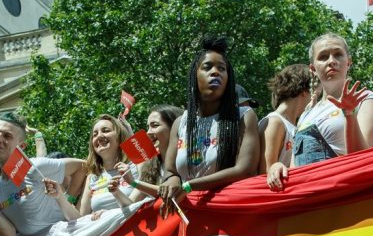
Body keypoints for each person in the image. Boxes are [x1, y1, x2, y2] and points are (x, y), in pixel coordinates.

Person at [157, 36, 260, 216]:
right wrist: (171, 179)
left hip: (227, 215)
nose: (215, 72)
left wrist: (189, 186)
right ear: (194, 76)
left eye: (222, 68)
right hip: (188, 215)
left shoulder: (244, 117)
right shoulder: (180, 123)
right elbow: (171, 170)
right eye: (207, 67)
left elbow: (245, 170)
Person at [0, 112, 85, 236]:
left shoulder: (35, 167)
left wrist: (68, 199)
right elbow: (9, 235)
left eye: (7, 136)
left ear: (21, 146)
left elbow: (83, 166)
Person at [293, 33, 373, 166]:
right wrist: (277, 166)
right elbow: (293, 167)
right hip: (308, 180)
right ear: (313, 69)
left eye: (338, 54)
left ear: (349, 62)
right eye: (323, 57)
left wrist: (349, 114)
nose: (331, 61)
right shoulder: (305, 115)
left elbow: (361, 160)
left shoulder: (365, 99)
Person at [46, 114, 136, 219]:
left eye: (106, 131)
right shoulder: (92, 177)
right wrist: (60, 196)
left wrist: (108, 213)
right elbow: (79, 219)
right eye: (95, 134)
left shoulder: (135, 166)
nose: (99, 136)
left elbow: (138, 207)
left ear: (120, 136)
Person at [260, 64, 312, 190]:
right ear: (304, 91)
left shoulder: (295, 126)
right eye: (315, 92)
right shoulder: (275, 122)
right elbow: (265, 175)